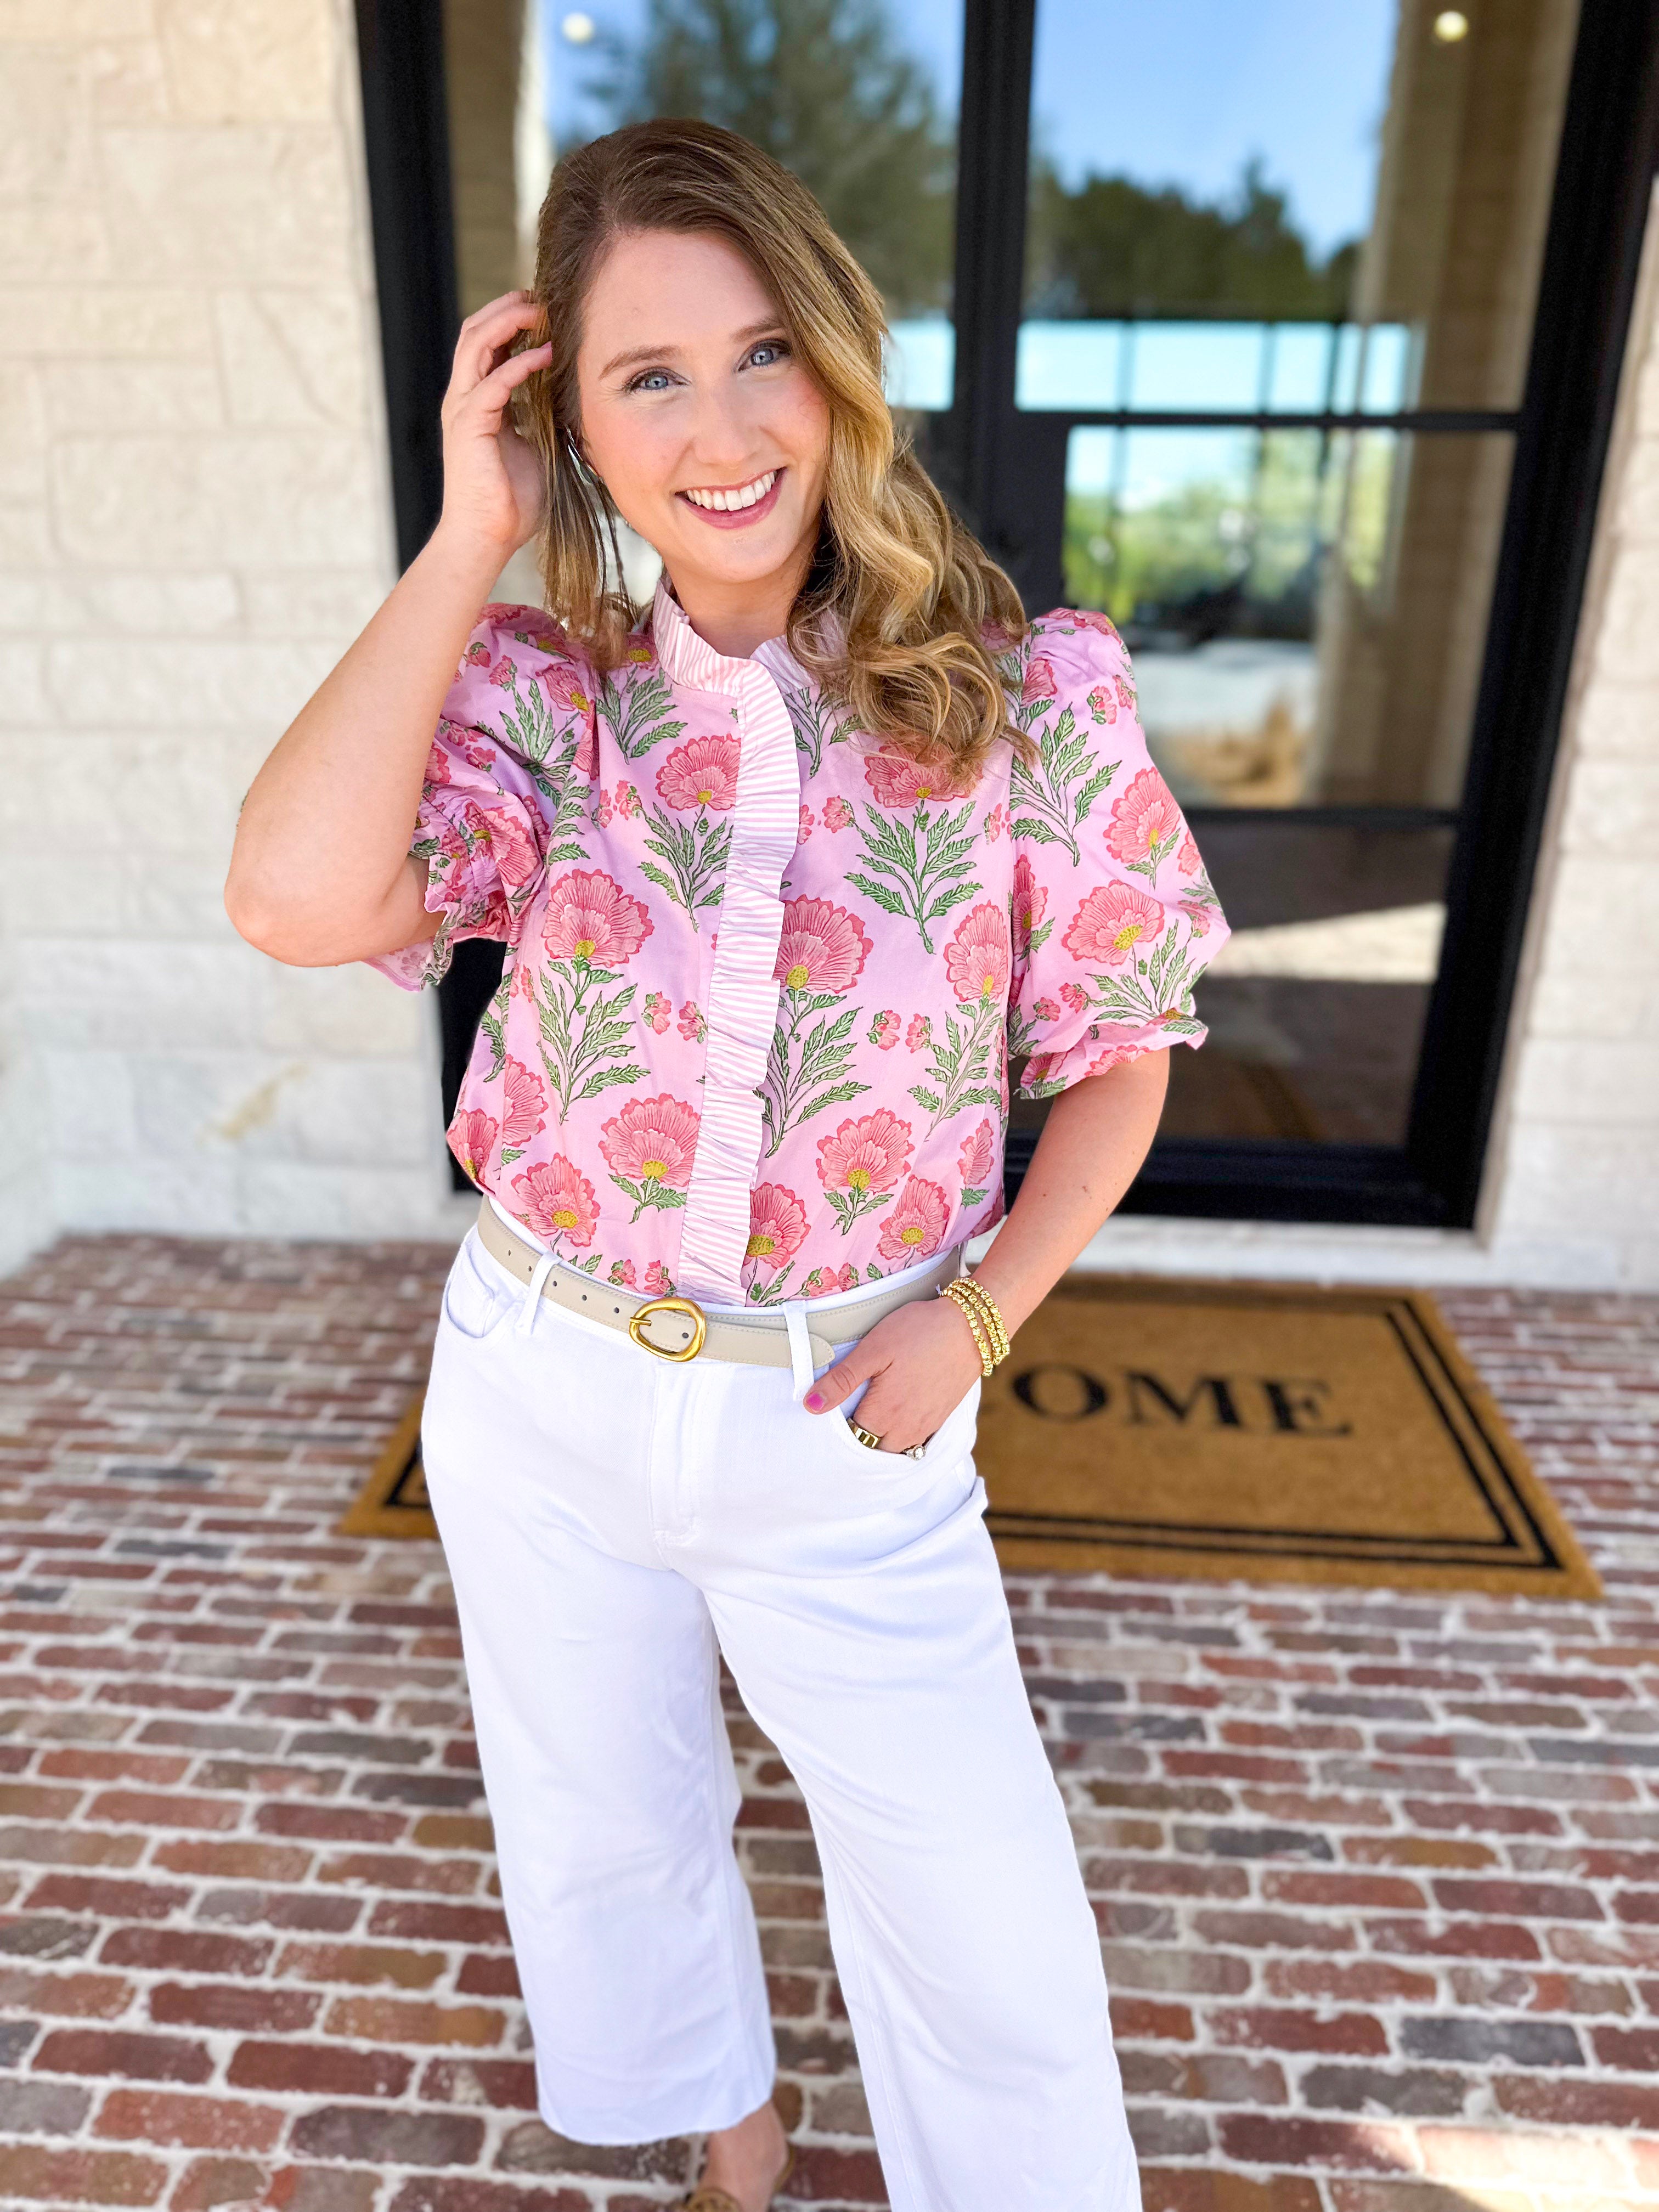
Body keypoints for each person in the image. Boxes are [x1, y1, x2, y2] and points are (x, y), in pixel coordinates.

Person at [225, 117, 1228, 2212]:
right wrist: (457, 544)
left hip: (849, 1413)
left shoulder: (1030, 696)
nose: (720, 429)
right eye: (645, 379)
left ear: (843, 361)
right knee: (606, 1822)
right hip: (538, 1375)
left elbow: (1122, 1061)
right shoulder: (545, 694)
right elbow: (295, 900)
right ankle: (739, 2153)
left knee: (991, 1933)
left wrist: (982, 1312)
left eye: (762, 352)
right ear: (572, 426)